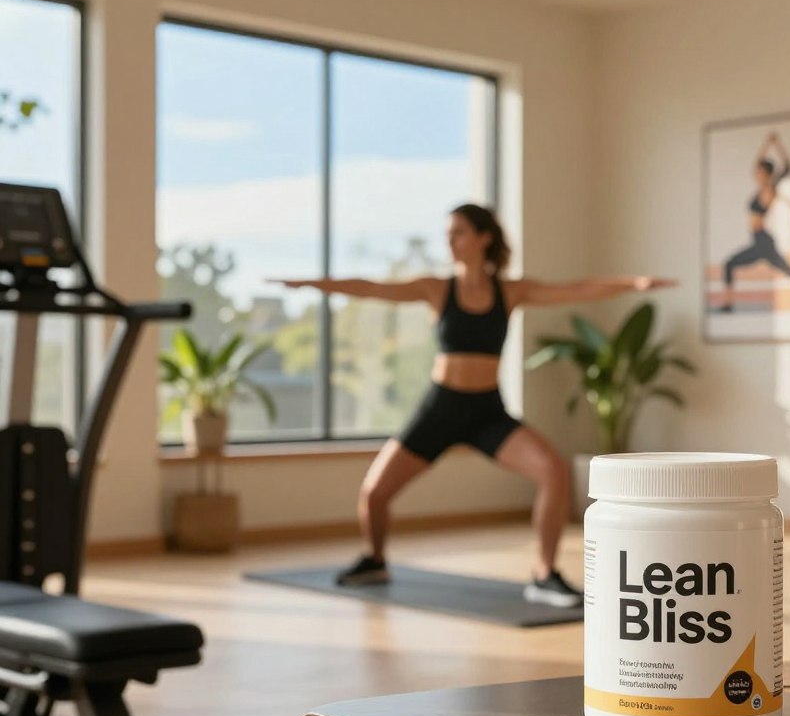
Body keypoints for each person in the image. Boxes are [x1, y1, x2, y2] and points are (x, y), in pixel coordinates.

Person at [273, 204, 675, 607]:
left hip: (486, 411)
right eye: (448, 234)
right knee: (375, 493)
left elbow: (573, 290)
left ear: (484, 237)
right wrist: (313, 283)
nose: (450, 241)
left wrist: (633, 283)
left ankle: (544, 574)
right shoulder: (436, 289)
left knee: (553, 469)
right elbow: (373, 288)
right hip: (440, 408)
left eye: (459, 232)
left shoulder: (509, 291)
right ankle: (375, 559)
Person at [718, 132, 790, 312]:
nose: (756, 174)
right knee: (731, 264)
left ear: (767, 174)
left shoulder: (769, 189)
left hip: (763, 241)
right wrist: (767, 144)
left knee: (786, 270)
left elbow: (787, 167)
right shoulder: (760, 190)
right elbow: (757, 163)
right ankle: (728, 303)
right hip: (758, 240)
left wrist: (778, 146)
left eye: (760, 172)